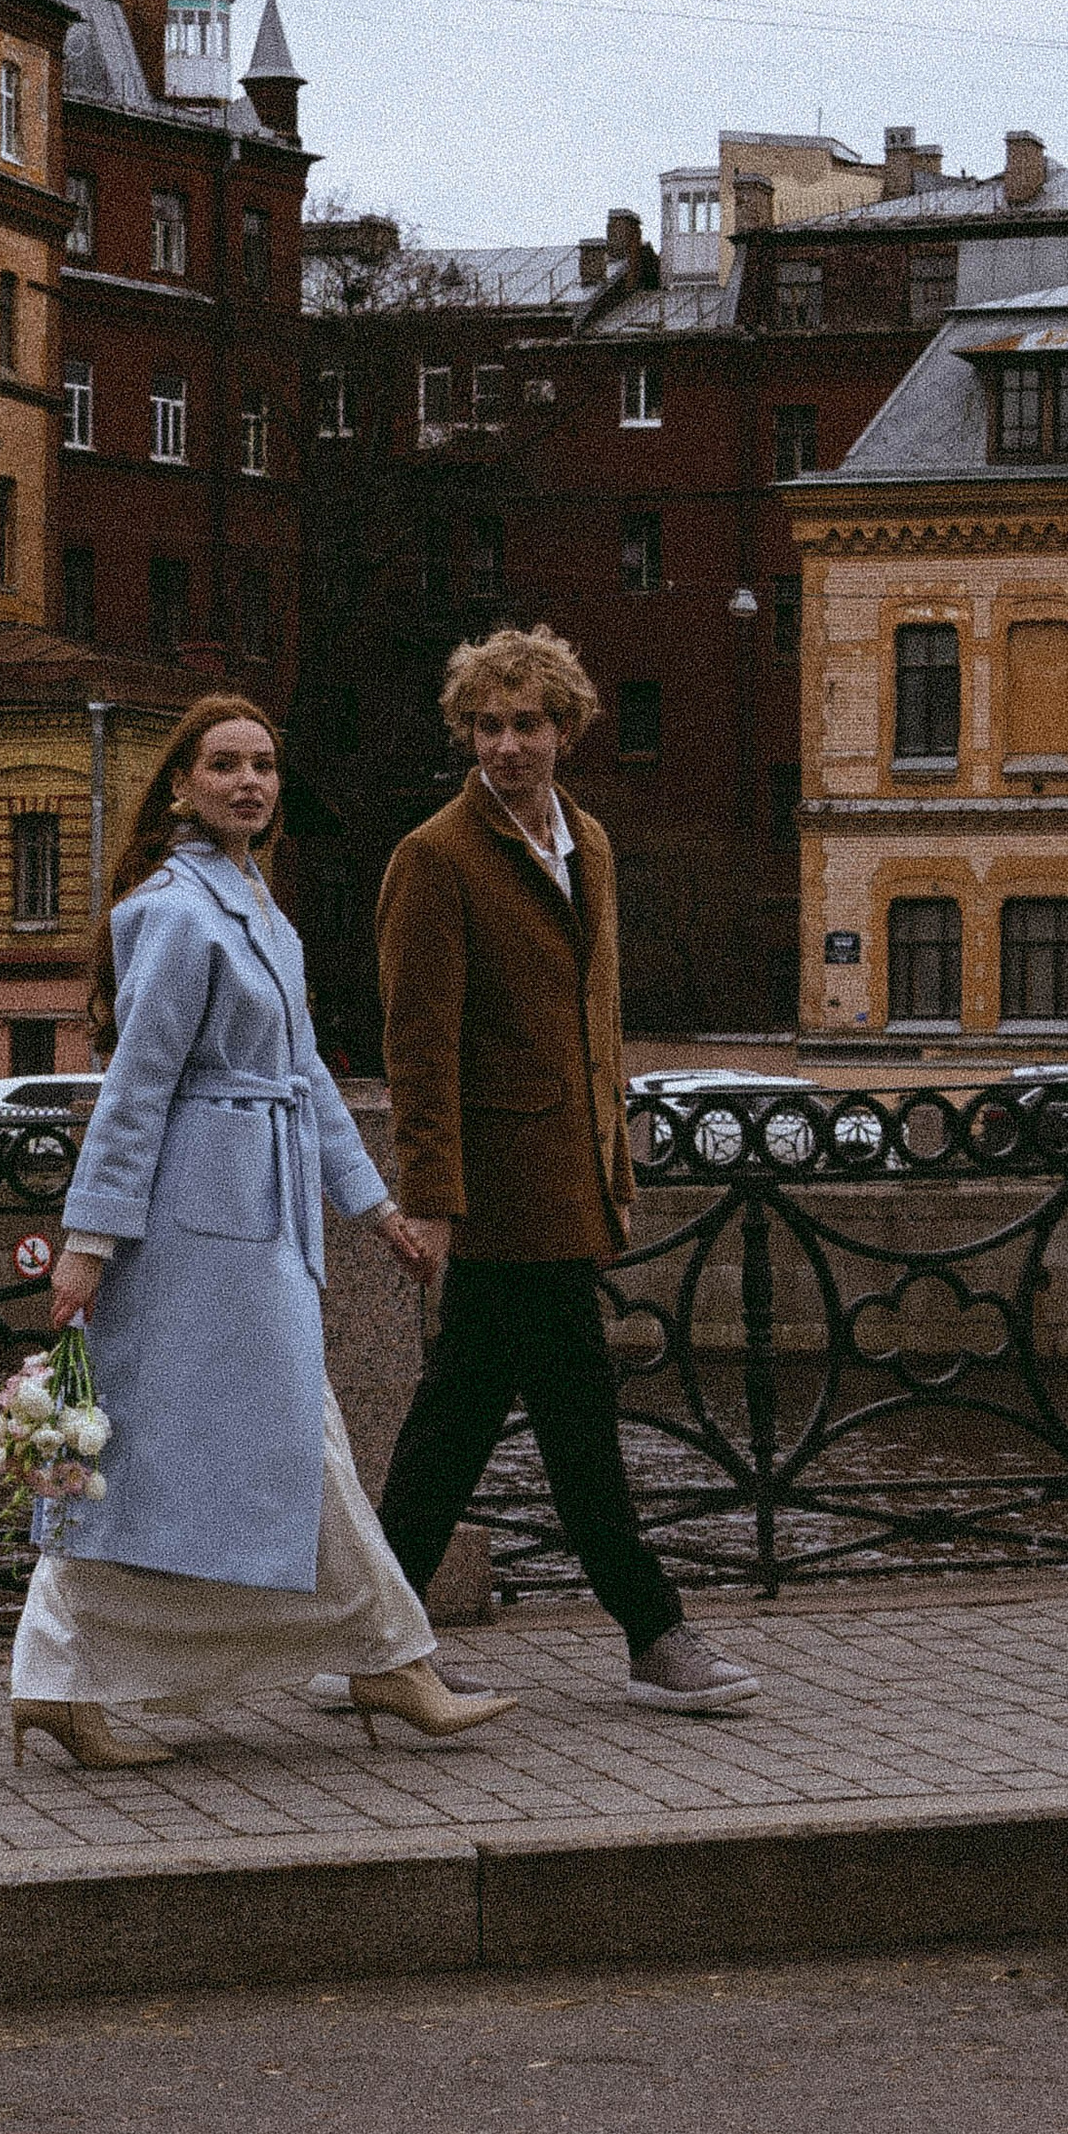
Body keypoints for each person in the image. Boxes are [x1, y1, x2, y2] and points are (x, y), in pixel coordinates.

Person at [10, 692, 514, 1768]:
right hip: (198, 1222)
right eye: (226, 764)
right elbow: (136, 1085)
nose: (250, 782)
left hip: (254, 1210)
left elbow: (303, 1082)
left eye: (266, 765)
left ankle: (65, 1680)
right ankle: (386, 1660)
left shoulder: (253, 902)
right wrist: (89, 1240)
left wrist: (375, 1209)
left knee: (239, 1445)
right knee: (264, 1440)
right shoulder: (174, 910)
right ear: (182, 785)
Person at [346, 624, 759, 1714]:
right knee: (573, 1421)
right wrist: (431, 1201)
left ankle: (373, 1639)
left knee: (455, 1423)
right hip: (498, 1197)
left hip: (563, 1183)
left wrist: (612, 1168)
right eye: (487, 726)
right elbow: (417, 1046)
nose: (507, 746)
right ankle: (652, 1631)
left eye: (527, 724)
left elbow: (596, 1021)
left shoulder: (590, 843)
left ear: (566, 730)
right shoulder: (433, 858)